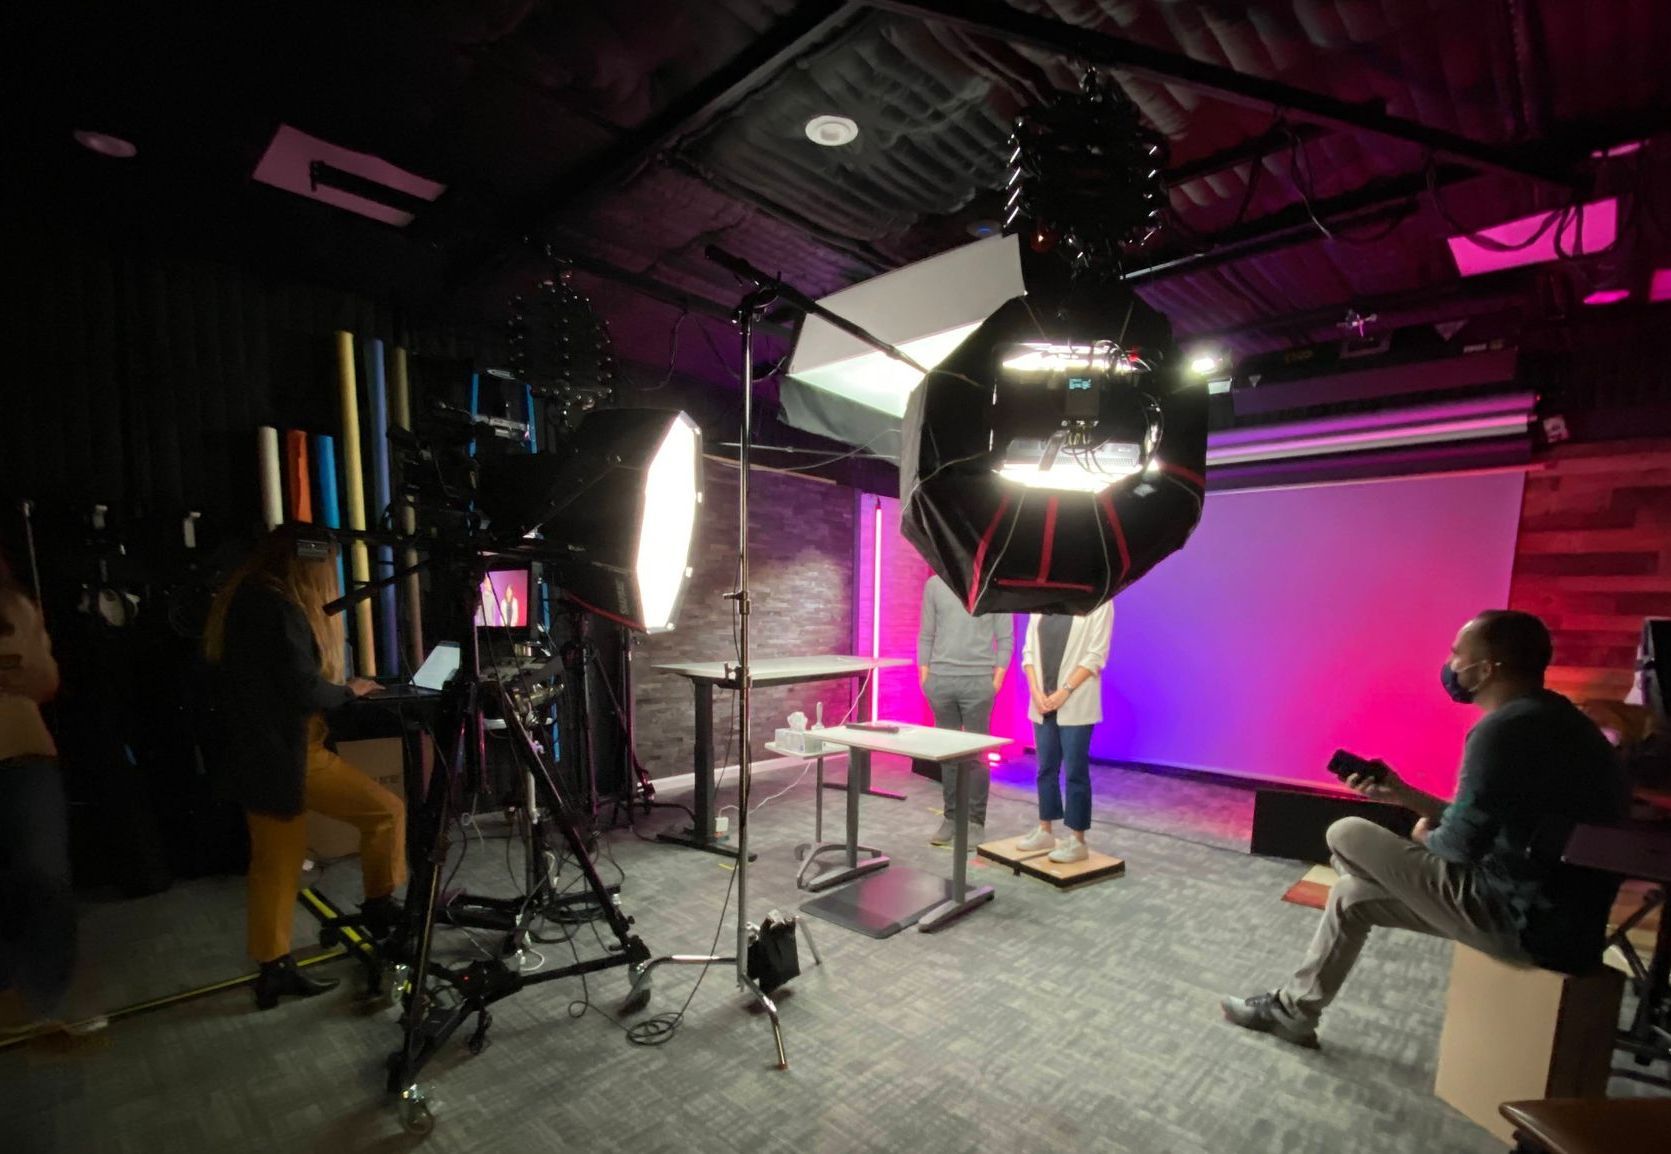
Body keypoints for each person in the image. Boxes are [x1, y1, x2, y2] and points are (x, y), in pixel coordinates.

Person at [1222, 610, 1630, 1049]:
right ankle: (1294, 1013)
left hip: (1518, 918)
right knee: (1350, 896)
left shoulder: (1501, 732)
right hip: (1561, 927)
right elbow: (1480, 822)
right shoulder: (1556, 720)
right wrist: (1401, 794)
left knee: (1346, 833)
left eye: (1458, 654)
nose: (1451, 664)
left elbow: (1455, 847)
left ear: (1488, 668)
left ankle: (1361, 885)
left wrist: (1420, 839)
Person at [203, 526, 407, 1010]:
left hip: (260, 754)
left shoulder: (245, 598)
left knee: (274, 865)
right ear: (309, 561)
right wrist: (349, 691)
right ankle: (379, 908)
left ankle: (273, 969)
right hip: (290, 755)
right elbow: (302, 689)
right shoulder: (276, 607)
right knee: (386, 812)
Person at [0, 553, 77, 1035]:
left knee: (42, 881)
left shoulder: (16, 605)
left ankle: (41, 1007)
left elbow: (44, 679)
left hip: (22, 756)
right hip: (23, 756)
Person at [1015, 601, 1115, 864]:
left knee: (1075, 772)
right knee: (1045, 768)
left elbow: (1096, 655)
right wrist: (1036, 692)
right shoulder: (1042, 602)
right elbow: (1029, 653)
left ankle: (1077, 840)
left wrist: (1065, 691)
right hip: (1042, 701)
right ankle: (1045, 829)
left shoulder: (1100, 602)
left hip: (1076, 700)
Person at [918, 574, 1013, 845]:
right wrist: (925, 676)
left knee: (976, 757)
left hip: (978, 682)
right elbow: (926, 633)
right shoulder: (935, 585)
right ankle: (951, 818)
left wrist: (995, 681)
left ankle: (975, 822)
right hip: (941, 680)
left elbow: (1005, 638)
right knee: (947, 756)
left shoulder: (993, 584)